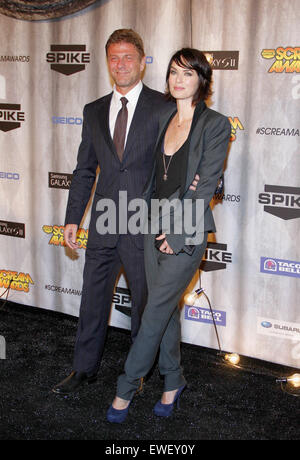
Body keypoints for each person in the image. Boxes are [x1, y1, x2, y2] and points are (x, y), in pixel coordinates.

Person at [52, 30, 199, 395]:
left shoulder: (165, 107)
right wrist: (73, 218)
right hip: (103, 220)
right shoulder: (93, 110)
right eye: (114, 58)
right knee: (93, 298)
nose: (120, 65)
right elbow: (85, 168)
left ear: (143, 61)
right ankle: (84, 369)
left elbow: (177, 167)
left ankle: (139, 373)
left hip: (144, 222)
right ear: (107, 62)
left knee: (145, 303)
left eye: (127, 57)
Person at [107, 48, 231, 423]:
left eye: (188, 74)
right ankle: (173, 381)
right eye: (174, 73)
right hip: (151, 223)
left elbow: (205, 183)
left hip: (186, 231)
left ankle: (125, 389)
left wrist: (177, 235)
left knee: (155, 309)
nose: (178, 80)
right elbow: (156, 179)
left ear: (202, 80)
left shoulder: (216, 124)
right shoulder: (165, 120)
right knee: (164, 312)